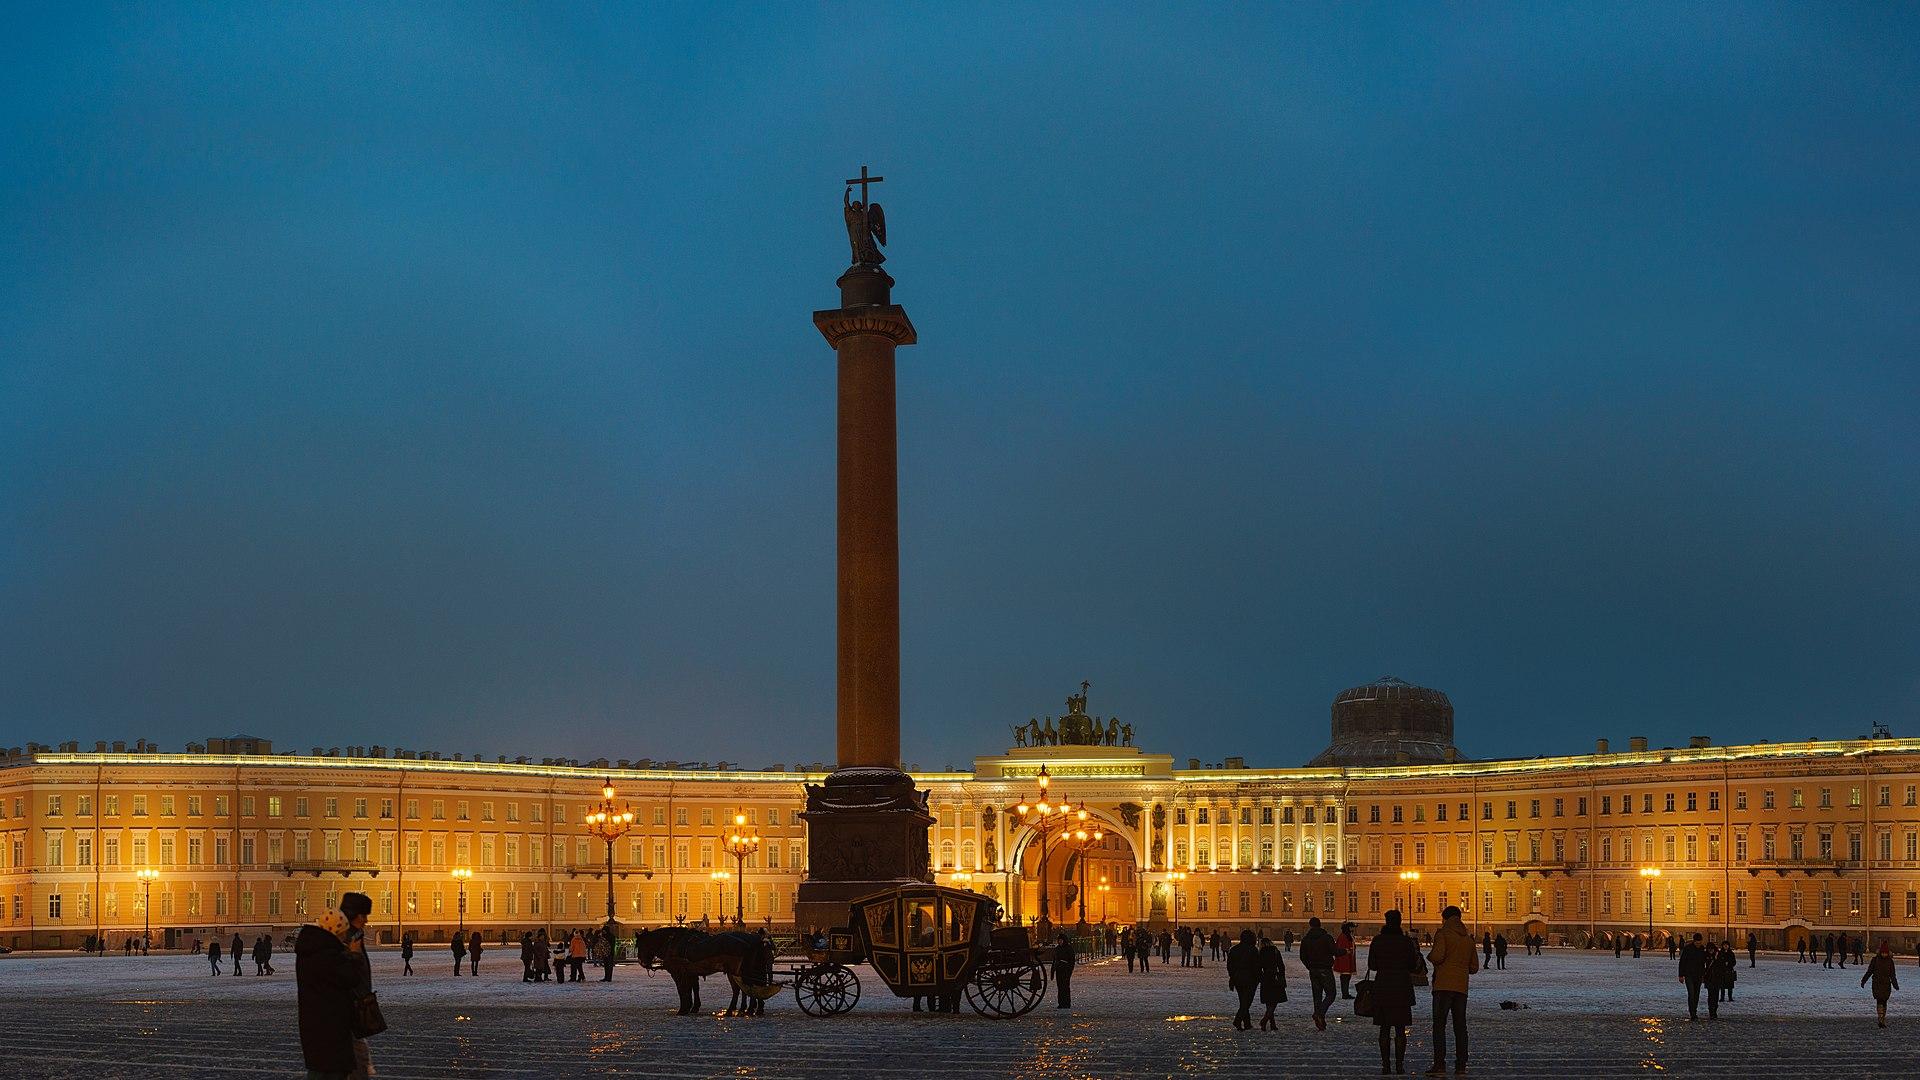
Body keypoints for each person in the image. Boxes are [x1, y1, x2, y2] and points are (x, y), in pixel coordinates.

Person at [296, 910, 359, 1080]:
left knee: (319, 1070)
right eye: (345, 931)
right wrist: (353, 955)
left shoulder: (312, 950)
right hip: (331, 1027)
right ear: (336, 931)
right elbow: (351, 979)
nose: (347, 935)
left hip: (315, 1025)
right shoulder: (328, 954)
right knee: (331, 1071)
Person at [1367, 910, 1423, 1075]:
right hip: (1401, 987)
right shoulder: (1405, 942)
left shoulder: (1377, 941)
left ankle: (1386, 1066)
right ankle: (1399, 1065)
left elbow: (1373, 965)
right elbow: (1413, 965)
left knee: (1384, 1029)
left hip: (1383, 986)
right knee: (1400, 1029)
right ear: (1399, 922)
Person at [1426, 905, 1478, 1077]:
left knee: (1439, 1026)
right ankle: (1461, 1065)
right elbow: (1474, 967)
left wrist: (1430, 956)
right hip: (1461, 988)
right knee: (1460, 1026)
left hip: (1443, 986)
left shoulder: (1443, 935)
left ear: (1445, 918)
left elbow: (1438, 956)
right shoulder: (1468, 939)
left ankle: (1440, 1064)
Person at [340, 891, 378, 1079]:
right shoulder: (348, 937)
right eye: (364, 916)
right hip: (351, 1006)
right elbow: (345, 973)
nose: (366, 920)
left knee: (357, 1056)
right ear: (356, 915)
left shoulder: (354, 935)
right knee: (357, 1058)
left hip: (355, 1004)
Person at [1299, 916, 1342, 1031]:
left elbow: (1302, 956)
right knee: (1331, 994)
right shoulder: (1326, 937)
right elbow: (1335, 951)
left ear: (1310, 925)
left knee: (1317, 995)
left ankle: (1320, 1021)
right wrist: (1344, 951)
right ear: (1320, 924)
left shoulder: (1306, 939)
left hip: (1313, 970)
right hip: (1325, 969)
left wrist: (1309, 966)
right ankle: (1319, 1013)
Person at [1863, 941, 1900, 1027]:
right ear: (1880, 952)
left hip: (1886, 984)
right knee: (1879, 1001)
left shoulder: (1890, 961)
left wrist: (1895, 984)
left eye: (1885, 953)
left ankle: (1883, 1019)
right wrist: (1864, 980)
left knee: (1884, 1001)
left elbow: (1892, 975)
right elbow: (1869, 971)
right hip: (1877, 984)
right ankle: (1880, 1020)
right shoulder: (1875, 960)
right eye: (1883, 953)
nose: (1884, 954)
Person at [1257, 936, 1287, 1031]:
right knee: (1274, 1001)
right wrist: (1281, 976)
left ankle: (1268, 1022)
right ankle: (1267, 1021)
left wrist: (1261, 977)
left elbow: (1258, 967)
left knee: (1269, 1001)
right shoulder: (1275, 951)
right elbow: (1281, 966)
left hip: (1266, 978)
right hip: (1275, 977)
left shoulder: (1261, 952)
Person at [1678, 933, 1708, 1021]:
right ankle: (1692, 1013)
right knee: (1691, 994)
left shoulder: (1702, 949)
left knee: (1696, 994)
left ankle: (1694, 1010)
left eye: (1700, 942)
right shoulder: (1688, 949)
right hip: (1689, 975)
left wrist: (1703, 975)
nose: (1698, 944)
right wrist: (1681, 975)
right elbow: (1682, 962)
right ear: (1694, 941)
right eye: (1697, 943)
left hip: (1698, 975)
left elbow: (1703, 963)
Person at [1052, 931, 1075, 1009]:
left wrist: (1070, 970)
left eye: (1061, 940)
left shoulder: (1069, 948)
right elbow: (1054, 960)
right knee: (1060, 987)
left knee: (1065, 986)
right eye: (1059, 940)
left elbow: (1072, 961)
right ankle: (1061, 1003)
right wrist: (1053, 971)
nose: (1060, 942)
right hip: (1059, 969)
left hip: (1065, 969)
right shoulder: (1057, 948)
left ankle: (1067, 1003)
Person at [1336, 922, 1358, 998]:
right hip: (1344, 960)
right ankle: (1345, 994)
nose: (1353, 929)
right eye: (1351, 927)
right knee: (1345, 977)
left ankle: (1345, 993)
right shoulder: (1343, 936)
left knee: (1347, 977)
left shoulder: (1348, 935)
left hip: (1348, 959)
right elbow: (1341, 949)